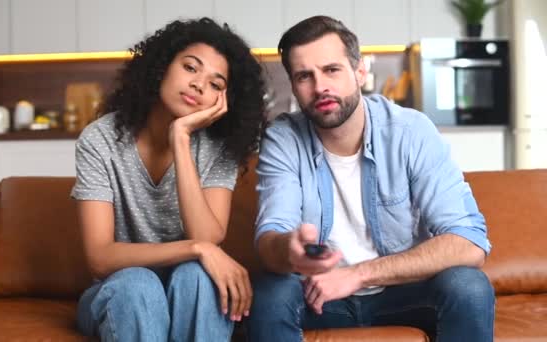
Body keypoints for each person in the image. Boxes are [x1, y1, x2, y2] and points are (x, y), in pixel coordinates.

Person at [247, 15, 494, 342]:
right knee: (270, 292)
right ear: (293, 85)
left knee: (469, 287)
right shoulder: (283, 139)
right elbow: (270, 238)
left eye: (331, 70)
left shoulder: (411, 131)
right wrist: (288, 250)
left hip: (402, 294)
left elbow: (469, 242)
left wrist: (358, 275)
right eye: (305, 76)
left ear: (359, 71)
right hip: (318, 295)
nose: (320, 86)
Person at [71, 18, 265, 342]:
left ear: (224, 100)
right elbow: (100, 258)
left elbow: (207, 235)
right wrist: (197, 249)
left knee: (198, 279)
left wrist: (181, 137)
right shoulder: (100, 140)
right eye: (191, 68)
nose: (200, 85)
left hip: (188, 289)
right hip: (121, 292)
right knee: (138, 284)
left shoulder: (220, 149)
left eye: (216, 84)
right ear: (162, 66)